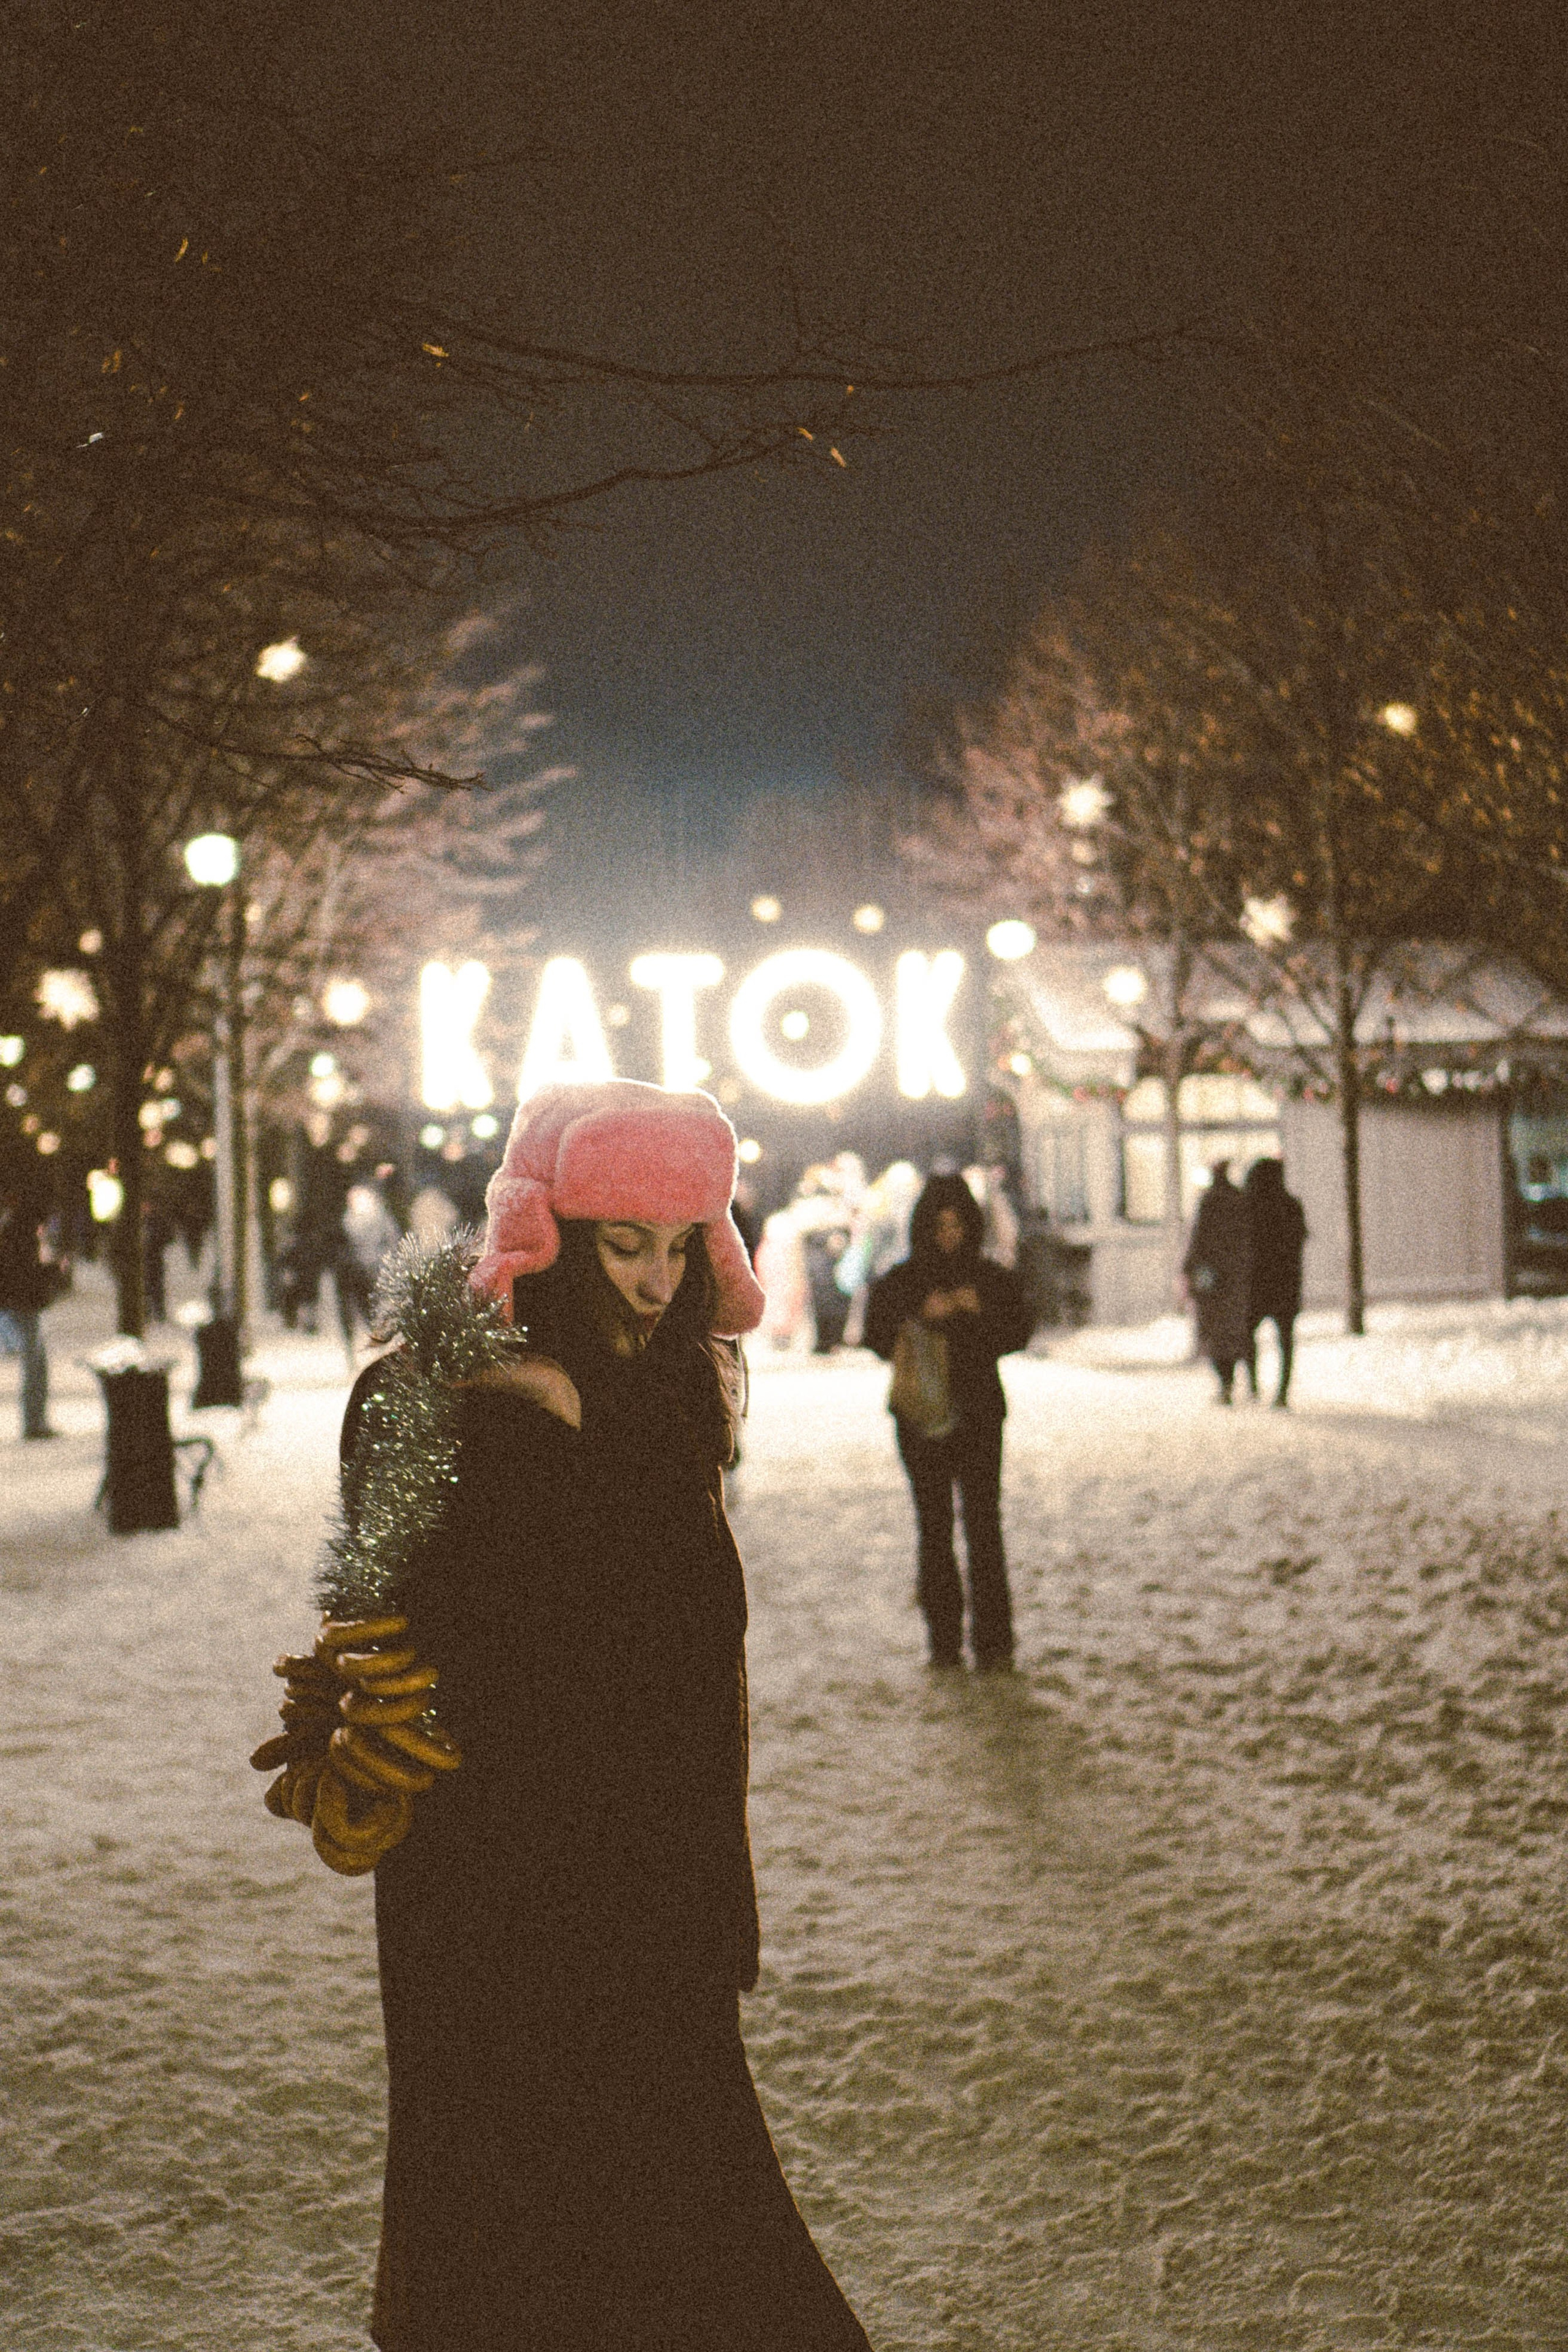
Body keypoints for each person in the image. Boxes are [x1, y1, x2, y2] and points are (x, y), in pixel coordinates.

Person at [337, 1080, 873, 2352]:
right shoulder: (441, 1395)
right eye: (625, 1245)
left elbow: (684, 1645)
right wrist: (516, 1423)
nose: (654, 1280)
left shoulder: (671, 1387)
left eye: (681, 1247)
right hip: (496, 1872)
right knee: (517, 2196)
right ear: (551, 1238)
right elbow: (397, 1612)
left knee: (676, 2199)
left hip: (649, 1863)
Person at [864, 1172, 1033, 1672]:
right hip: (921, 1418)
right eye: (939, 1226)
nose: (949, 1236)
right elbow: (875, 1338)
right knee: (934, 1526)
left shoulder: (990, 1278)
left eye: (957, 1226)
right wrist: (919, 1313)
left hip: (980, 1414)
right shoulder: (901, 1281)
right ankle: (943, 1641)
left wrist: (979, 1311)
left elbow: (1020, 1331)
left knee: (984, 1525)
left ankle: (994, 1642)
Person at [1182, 1159, 1253, 1404]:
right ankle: (1235, 1381)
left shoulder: (1208, 1201)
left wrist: (1188, 1270)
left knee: (1211, 1328)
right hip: (1235, 1275)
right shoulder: (1240, 1200)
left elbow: (1197, 1238)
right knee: (1232, 1328)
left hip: (1209, 1275)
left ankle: (1225, 1384)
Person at [0, 1177, 64, 1440]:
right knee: (35, 1362)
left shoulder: (14, 1228)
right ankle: (34, 1422)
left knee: (36, 1361)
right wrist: (53, 1269)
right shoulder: (21, 1232)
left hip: (21, 1301)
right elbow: (24, 1271)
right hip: (23, 1302)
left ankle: (36, 1420)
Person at [1243, 1156, 1308, 1408]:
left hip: (1257, 1282)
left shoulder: (1250, 1206)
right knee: (1286, 1340)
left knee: (1248, 1333)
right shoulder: (1291, 1205)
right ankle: (1282, 1391)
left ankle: (1253, 1386)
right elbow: (1299, 1240)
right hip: (1285, 1283)